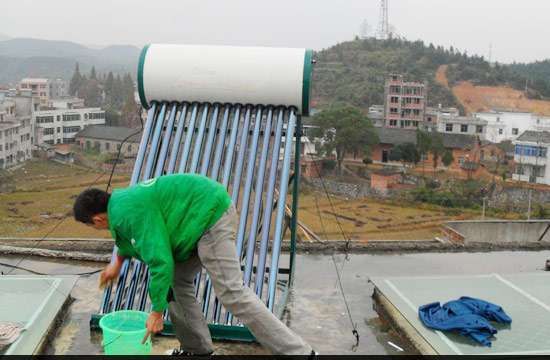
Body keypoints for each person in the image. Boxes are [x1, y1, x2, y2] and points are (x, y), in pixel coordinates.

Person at [73, 174, 314, 356]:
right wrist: (116, 263)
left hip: (209, 217)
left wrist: (156, 312)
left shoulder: (128, 212)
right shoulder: (120, 205)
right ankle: (197, 350)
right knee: (176, 282)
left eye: (92, 226)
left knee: (232, 293)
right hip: (195, 223)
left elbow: (160, 260)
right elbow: (133, 241)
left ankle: (301, 353)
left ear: (97, 219)